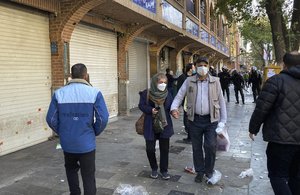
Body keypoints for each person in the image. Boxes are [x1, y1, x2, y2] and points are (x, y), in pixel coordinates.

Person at [46, 63, 109, 195]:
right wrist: (94, 131)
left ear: (71, 75)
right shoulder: (94, 93)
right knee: (88, 176)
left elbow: (51, 119)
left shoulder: (59, 93)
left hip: (68, 143)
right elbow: (103, 118)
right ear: (85, 75)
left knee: (71, 171)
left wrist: (62, 132)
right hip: (87, 144)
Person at [249, 51, 300, 195]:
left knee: (277, 176)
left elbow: (262, 108)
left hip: (280, 140)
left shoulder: (276, 81)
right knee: (296, 177)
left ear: (284, 64)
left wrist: (253, 128)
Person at [171, 57, 227, 183]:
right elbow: (179, 96)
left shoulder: (215, 81)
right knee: (196, 147)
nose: (202, 67)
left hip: (211, 120)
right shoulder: (189, 81)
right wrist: (174, 108)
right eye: (200, 65)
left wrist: (223, 121)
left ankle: (209, 171)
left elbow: (222, 101)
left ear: (208, 66)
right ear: (195, 67)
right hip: (194, 120)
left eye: (205, 65)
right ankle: (200, 171)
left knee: (210, 146)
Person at [138, 73, 174, 180]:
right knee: (150, 149)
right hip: (150, 124)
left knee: (164, 149)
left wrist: (174, 111)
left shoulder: (168, 94)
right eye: (160, 82)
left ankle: (164, 170)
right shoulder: (146, 93)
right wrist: (150, 110)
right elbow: (141, 105)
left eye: (164, 82)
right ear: (155, 82)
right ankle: (154, 168)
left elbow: (172, 106)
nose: (163, 85)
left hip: (164, 124)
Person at [176, 63, 196, 143]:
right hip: (186, 100)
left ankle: (190, 135)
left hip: (193, 99)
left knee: (191, 117)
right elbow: (180, 90)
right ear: (190, 69)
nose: (194, 69)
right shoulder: (182, 77)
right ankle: (189, 134)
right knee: (187, 116)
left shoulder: (194, 77)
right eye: (193, 67)